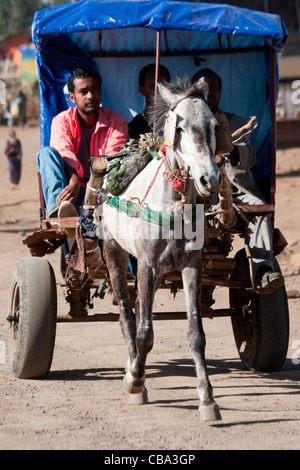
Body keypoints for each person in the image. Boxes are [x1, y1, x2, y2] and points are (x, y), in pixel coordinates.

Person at [191, 68, 283, 294]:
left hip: (234, 194)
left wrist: (229, 148)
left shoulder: (236, 122)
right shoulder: (184, 125)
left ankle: (262, 269)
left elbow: (248, 157)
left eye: (214, 87)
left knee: (259, 209)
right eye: (203, 87)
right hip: (194, 195)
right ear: (192, 93)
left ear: (221, 93)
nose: (209, 91)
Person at [37, 67, 129, 229]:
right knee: (46, 154)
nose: (91, 96)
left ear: (100, 91)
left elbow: (111, 160)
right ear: (72, 97)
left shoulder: (117, 123)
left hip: (103, 192)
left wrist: (91, 191)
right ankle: (58, 211)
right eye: (84, 92)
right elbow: (63, 150)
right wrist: (73, 181)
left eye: (94, 90)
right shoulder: (61, 121)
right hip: (71, 192)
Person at [128, 63, 170, 139]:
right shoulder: (133, 128)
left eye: (164, 86)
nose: (160, 91)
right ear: (141, 90)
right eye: (154, 87)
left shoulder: (176, 121)